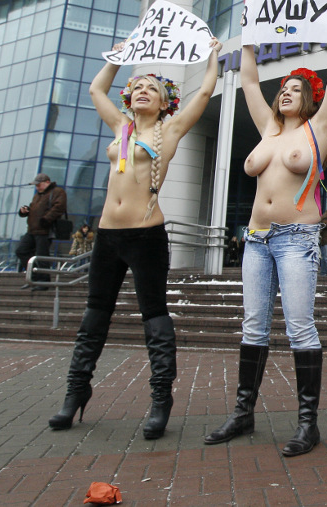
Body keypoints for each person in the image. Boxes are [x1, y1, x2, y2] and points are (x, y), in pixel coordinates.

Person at [47, 35, 222, 439]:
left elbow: (208, 89)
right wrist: (119, 57)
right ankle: (76, 394)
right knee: (94, 317)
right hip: (107, 237)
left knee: (154, 317)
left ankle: (161, 400)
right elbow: (96, 88)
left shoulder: (171, 130)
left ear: (164, 102)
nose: (142, 91)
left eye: (152, 89)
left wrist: (212, 53)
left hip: (146, 236)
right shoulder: (120, 125)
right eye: (137, 87)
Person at [204, 1, 327, 458]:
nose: (285, 92)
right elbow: (248, 78)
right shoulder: (267, 128)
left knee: (300, 329)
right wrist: (248, 32)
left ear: (309, 97)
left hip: (296, 240)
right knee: (253, 326)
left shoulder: (317, 130)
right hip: (256, 240)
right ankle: (244, 413)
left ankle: (309, 424)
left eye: (294, 88)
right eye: (283, 87)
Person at [16, 173, 68, 289]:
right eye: (36, 185)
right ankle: (34, 278)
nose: (37, 187)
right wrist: (25, 211)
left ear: (47, 182)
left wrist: (46, 219)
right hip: (32, 229)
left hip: (45, 230)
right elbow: (35, 209)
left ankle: (43, 281)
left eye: (39, 185)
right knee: (21, 251)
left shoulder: (57, 192)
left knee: (42, 256)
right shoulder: (38, 195)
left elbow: (59, 207)